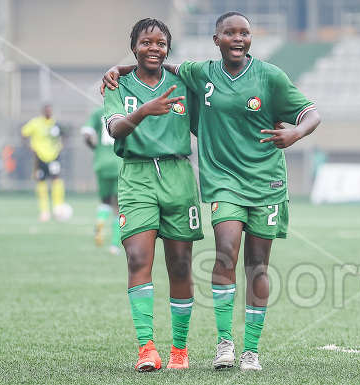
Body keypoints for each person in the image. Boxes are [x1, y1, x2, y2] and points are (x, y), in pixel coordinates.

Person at [102, 11, 321, 371]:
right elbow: (147, 78)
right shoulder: (178, 77)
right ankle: (209, 344)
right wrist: (119, 70)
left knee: (241, 266)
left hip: (245, 181)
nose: (238, 38)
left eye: (245, 33)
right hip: (201, 180)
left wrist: (295, 133)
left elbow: (310, 112)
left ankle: (222, 350)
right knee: (216, 253)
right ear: (215, 39)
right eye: (230, 33)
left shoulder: (256, 76)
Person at [103, 18, 203, 372]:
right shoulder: (118, 83)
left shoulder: (182, 84)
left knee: (179, 265)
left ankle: (179, 350)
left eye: (161, 43)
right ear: (134, 47)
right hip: (137, 176)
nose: (154, 48)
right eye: (147, 42)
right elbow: (115, 128)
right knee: (136, 259)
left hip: (178, 176)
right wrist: (144, 110)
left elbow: (206, 122)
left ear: (168, 49)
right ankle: (147, 348)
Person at [81, 105, 123, 255]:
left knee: (105, 202)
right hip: (119, 162)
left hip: (101, 163)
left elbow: (86, 134)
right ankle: (114, 245)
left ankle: (100, 221)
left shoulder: (98, 111)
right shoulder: (124, 108)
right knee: (118, 207)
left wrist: (96, 149)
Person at [21, 103, 67, 222]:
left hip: (54, 157)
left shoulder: (56, 124)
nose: (49, 112)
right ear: (43, 111)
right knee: (41, 182)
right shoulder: (35, 123)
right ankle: (44, 211)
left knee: (57, 179)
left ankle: (58, 208)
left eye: (50, 110)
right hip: (40, 158)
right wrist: (31, 149)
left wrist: (62, 146)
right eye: (47, 110)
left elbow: (65, 134)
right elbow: (23, 134)